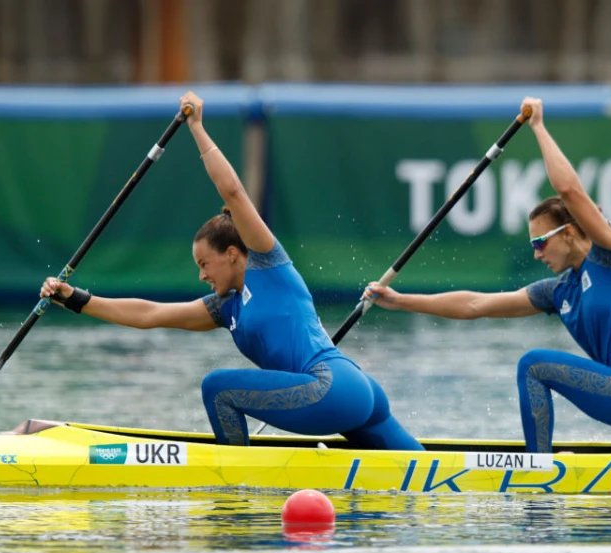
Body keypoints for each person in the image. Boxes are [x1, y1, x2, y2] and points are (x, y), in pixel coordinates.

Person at [41, 91, 423, 452]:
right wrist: (75, 299)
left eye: (205, 264)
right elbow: (150, 314)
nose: (202, 276)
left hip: (332, 387)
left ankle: (235, 485)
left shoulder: (267, 263)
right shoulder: (225, 308)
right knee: (433, 478)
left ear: (233, 254)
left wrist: (197, 128)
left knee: (218, 387)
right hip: (357, 392)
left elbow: (234, 193)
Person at [364, 96, 611, 455]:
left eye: (541, 242)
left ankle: (537, 473)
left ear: (570, 231)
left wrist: (539, 127)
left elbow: (570, 190)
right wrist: (400, 301)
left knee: (534, 365)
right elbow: (476, 304)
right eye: (532, 245)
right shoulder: (558, 292)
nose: (536, 252)